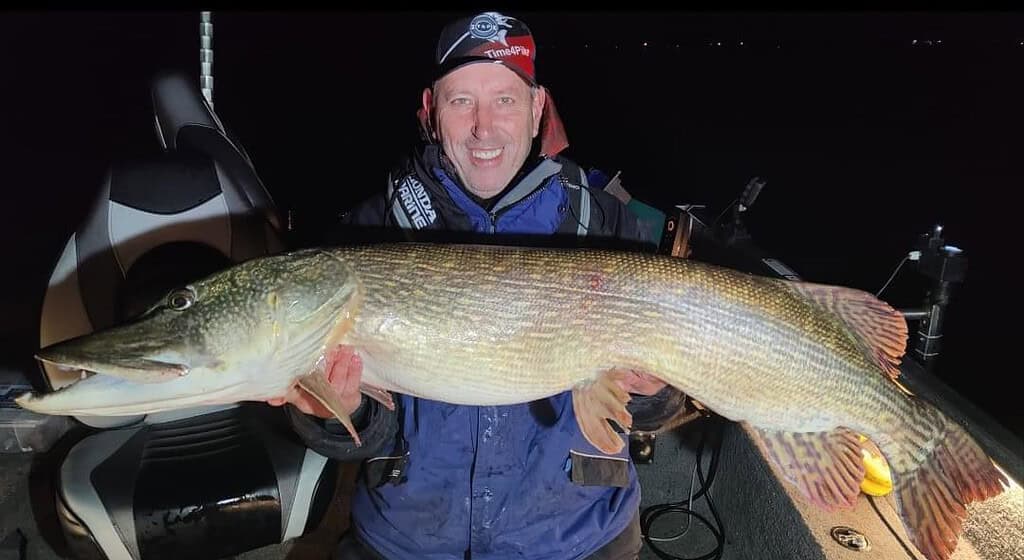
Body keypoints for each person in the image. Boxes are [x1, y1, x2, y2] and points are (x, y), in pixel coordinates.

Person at [269, 11, 689, 559]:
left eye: (505, 100)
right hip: (408, 542)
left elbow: (656, 410)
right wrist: (331, 410)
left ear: (538, 109)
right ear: (429, 111)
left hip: (580, 540)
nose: (483, 127)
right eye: (461, 100)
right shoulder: (369, 234)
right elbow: (362, 440)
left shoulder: (609, 227)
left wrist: (654, 389)